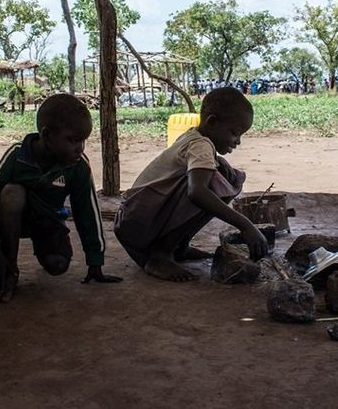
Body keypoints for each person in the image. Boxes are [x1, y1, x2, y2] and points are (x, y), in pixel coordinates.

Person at [113, 87, 269, 282]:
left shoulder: (194, 137)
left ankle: (178, 247)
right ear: (211, 122)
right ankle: (160, 255)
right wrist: (246, 226)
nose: (238, 141)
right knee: (210, 187)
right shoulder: (200, 145)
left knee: (228, 177)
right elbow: (197, 192)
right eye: (234, 133)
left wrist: (220, 163)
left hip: (134, 219)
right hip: (137, 225)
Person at [0, 93, 122, 302]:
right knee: (12, 193)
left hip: (48, 220)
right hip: (11, 218)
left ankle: (42, 248)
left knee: (58, 265)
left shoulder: (78, 165)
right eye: (73, 140)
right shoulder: (17, 155)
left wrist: (95, 263)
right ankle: (10, 271)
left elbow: (87, 212)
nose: (79, 148)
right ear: (46, 135)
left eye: (83, 141)